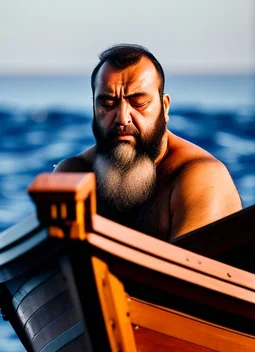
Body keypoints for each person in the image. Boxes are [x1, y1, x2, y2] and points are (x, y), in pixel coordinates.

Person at [54, 43, 242, 241]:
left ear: (164, 107)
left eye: (139, 103)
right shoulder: (73, 175)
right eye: (108, 104)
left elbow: (192, 269)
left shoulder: (200, 177)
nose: (122, 118)